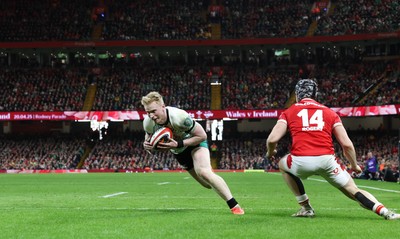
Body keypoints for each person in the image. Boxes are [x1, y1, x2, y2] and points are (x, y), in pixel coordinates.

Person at [266, 79, 400, 220]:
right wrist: (354, 165)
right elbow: (347, 145)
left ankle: (306, 208)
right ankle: (385, 212)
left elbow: (272, 139)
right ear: (315, 94)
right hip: (327, 160)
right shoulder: (329, 113)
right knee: (352, 189)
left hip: (300, 161)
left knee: (282, 164)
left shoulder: (289, 112)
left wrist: (270, 153)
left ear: (297, 95)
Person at [141, 91, 244, 215]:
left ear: (163, 107)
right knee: (206, 184)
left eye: (153, 111)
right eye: (148, 112)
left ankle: (235, 206)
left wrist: (179, 143)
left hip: (195, 143)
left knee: (204, 172)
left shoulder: (180, 117)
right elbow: (149, 140)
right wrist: (147, 145)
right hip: (179, 152)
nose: (151, 115)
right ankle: (215, 181)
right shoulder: (147, 123)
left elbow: (202, 135)